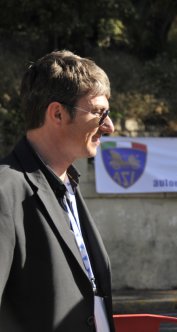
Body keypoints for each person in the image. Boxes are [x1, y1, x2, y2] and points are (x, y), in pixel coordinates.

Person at [0, 50, 116, 331]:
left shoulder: (67, 186)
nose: (109, 127)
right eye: (99, 112)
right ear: (57, 113)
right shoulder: (6, 192)